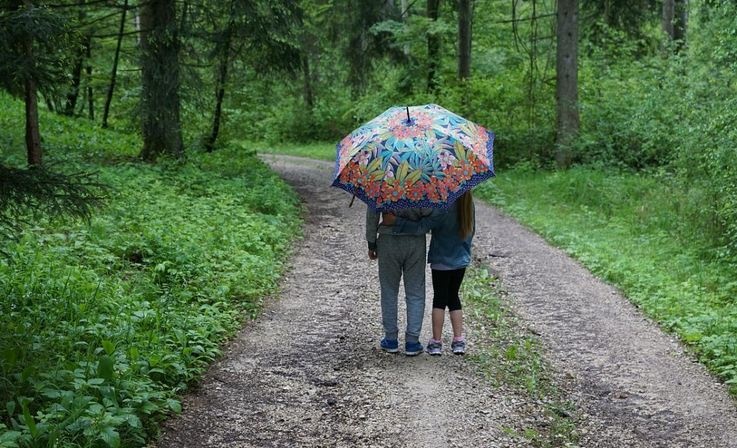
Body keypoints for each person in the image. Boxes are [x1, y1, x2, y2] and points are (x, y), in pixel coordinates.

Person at [383, 191, 475, 355]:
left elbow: (422, 227)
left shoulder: (442, 206)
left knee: (439, 299)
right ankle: (458, 340)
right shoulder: (468, 205)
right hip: (461, 259)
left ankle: (436, 343)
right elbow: (471, 231)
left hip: (441, 259)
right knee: (454, 297)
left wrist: (396, 222)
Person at [366, 206, 431, 356]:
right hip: (415, 241)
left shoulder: (380, 183)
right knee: (415, 291)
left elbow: (372, 213)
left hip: (388, 240)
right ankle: (412, 341)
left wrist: (371, 241)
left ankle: (390, 339)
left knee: (389, 290)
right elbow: (429, 212)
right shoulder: (423, 183)